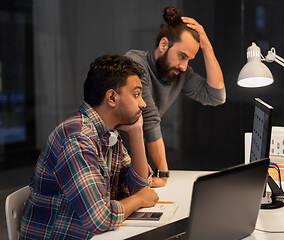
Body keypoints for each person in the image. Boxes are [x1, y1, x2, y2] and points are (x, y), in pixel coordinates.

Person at [19, 55, 159, 239]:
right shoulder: (78, 137)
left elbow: (139, 185)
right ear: (111, 97)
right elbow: (99, 219)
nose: (143, 103)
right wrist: (139, 200)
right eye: (136, 94)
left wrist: (136, 133)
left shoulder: (107, 134)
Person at [125, 6, 226, 187]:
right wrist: (163, 173)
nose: (184, 66)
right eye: (182, 56)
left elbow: (216, 96)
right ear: (164, 45)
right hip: (115, 158)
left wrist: (207, 46)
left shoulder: (180, 75)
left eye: (189, 60)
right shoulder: (135, 63)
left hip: (139, 162)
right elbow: (149, 119)